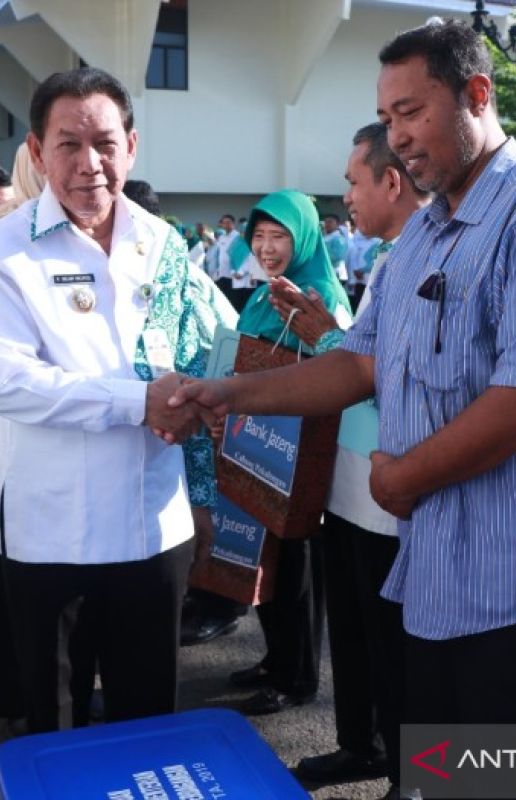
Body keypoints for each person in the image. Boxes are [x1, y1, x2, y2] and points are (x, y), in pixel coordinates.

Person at [166, 21, 516, 799]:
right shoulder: (420, 238)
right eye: (387, 119)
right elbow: (357, 363)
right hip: (440, 575)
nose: (398, 138)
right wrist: (233, 394)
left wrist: (402, 478)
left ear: (477, 95)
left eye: (411, 112)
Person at [0, 66, 232, 733]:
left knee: (148, 719)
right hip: (48, 531)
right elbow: (11, 384)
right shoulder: (1, 250)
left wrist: (204, 454)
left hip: (152, 524)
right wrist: (139, 401)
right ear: (36, 151)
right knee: (54, 722)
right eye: (68, 145)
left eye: (106, 144)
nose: (90, 164)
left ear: (131, 147)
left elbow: (202, 356)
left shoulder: (166, 244)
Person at [270, 122, 429, 794]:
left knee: (398, 647)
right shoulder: (390, 259)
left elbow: (397, 374)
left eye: (353, 182)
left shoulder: (429, 260)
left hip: (390, 492)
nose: (347, 198)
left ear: (392, 182)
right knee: (356, 637)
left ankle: (411, 773)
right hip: (349, 486)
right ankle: (360, 745)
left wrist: (326, 333)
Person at [224, 189, 353, 717]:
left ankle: (296, 676)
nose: (267, 246)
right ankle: (275, 657)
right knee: (265, 561)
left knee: (293, 565)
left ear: (302, 237)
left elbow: (337, 364)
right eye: (259, 236)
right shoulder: (263, 291)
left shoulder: (319, 291)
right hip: (259, 441)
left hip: (296, 450)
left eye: (279, 236)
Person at [323, 213, 350, 286]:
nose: (327, 224)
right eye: (326, 222)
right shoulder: (324, 237)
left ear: (337, 224)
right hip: (325, 272)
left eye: (330, 222)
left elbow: (338, 256)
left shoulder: (339, 238)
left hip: (336, 273)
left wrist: (321, 255)